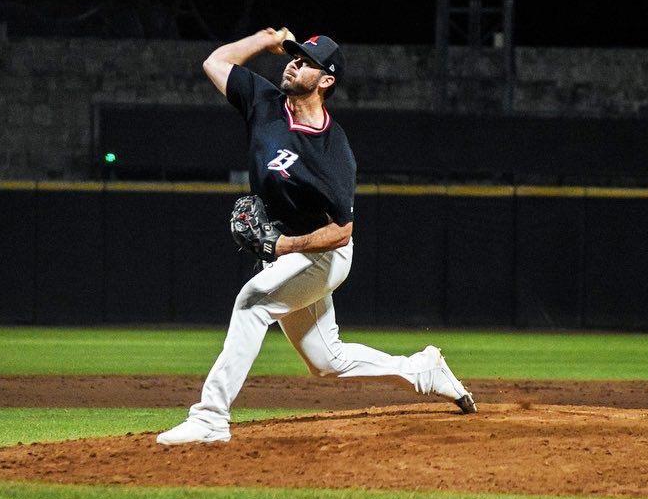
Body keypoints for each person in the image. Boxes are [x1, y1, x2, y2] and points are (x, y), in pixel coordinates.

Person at [156, 28, 476, 445]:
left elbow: (342, 232)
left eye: (305, 61)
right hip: (290, 255)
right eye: (293, 56)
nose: (293, 62)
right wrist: (265, 39)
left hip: (324, 253)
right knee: (328, 360)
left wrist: (285, 247)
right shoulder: (265, 102)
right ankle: (423, 370)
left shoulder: (332, 150)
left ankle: (211, 416)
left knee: (252, 301)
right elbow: (214, 63)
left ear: (326, 81)